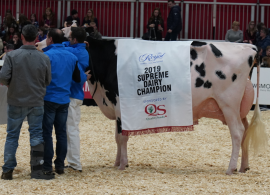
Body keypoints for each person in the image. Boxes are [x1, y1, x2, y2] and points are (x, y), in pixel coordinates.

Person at [0, 24, 53, 180]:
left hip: (16, 100)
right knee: (36, 135)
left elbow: (3, 78)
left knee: (12, 136)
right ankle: (36, 170)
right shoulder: (44, 57)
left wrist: (12, 84)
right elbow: (47, 81)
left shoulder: (11, 56)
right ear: (37, 38)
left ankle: (8, 170)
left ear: (22, 37)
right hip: (36, 101)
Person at [42, 28, 85, 175]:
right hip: (64, 99)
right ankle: (60, 165)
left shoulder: (46, 56)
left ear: (50, 40)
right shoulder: (72, 57)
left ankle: (47, 166)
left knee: (47, 133)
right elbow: (79, 79)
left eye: (47, 37)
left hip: (48, 98)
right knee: (61, 133)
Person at [62, 27, 90, 172]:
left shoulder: (77, 51)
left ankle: (75, 163)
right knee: (69, 130)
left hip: (73, 95)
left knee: (71, 130)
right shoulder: (79, 50)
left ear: (74, 40)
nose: (68, 40)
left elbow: (60, 48)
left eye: (69, 37)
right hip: (73, 94)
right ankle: (72, 161)